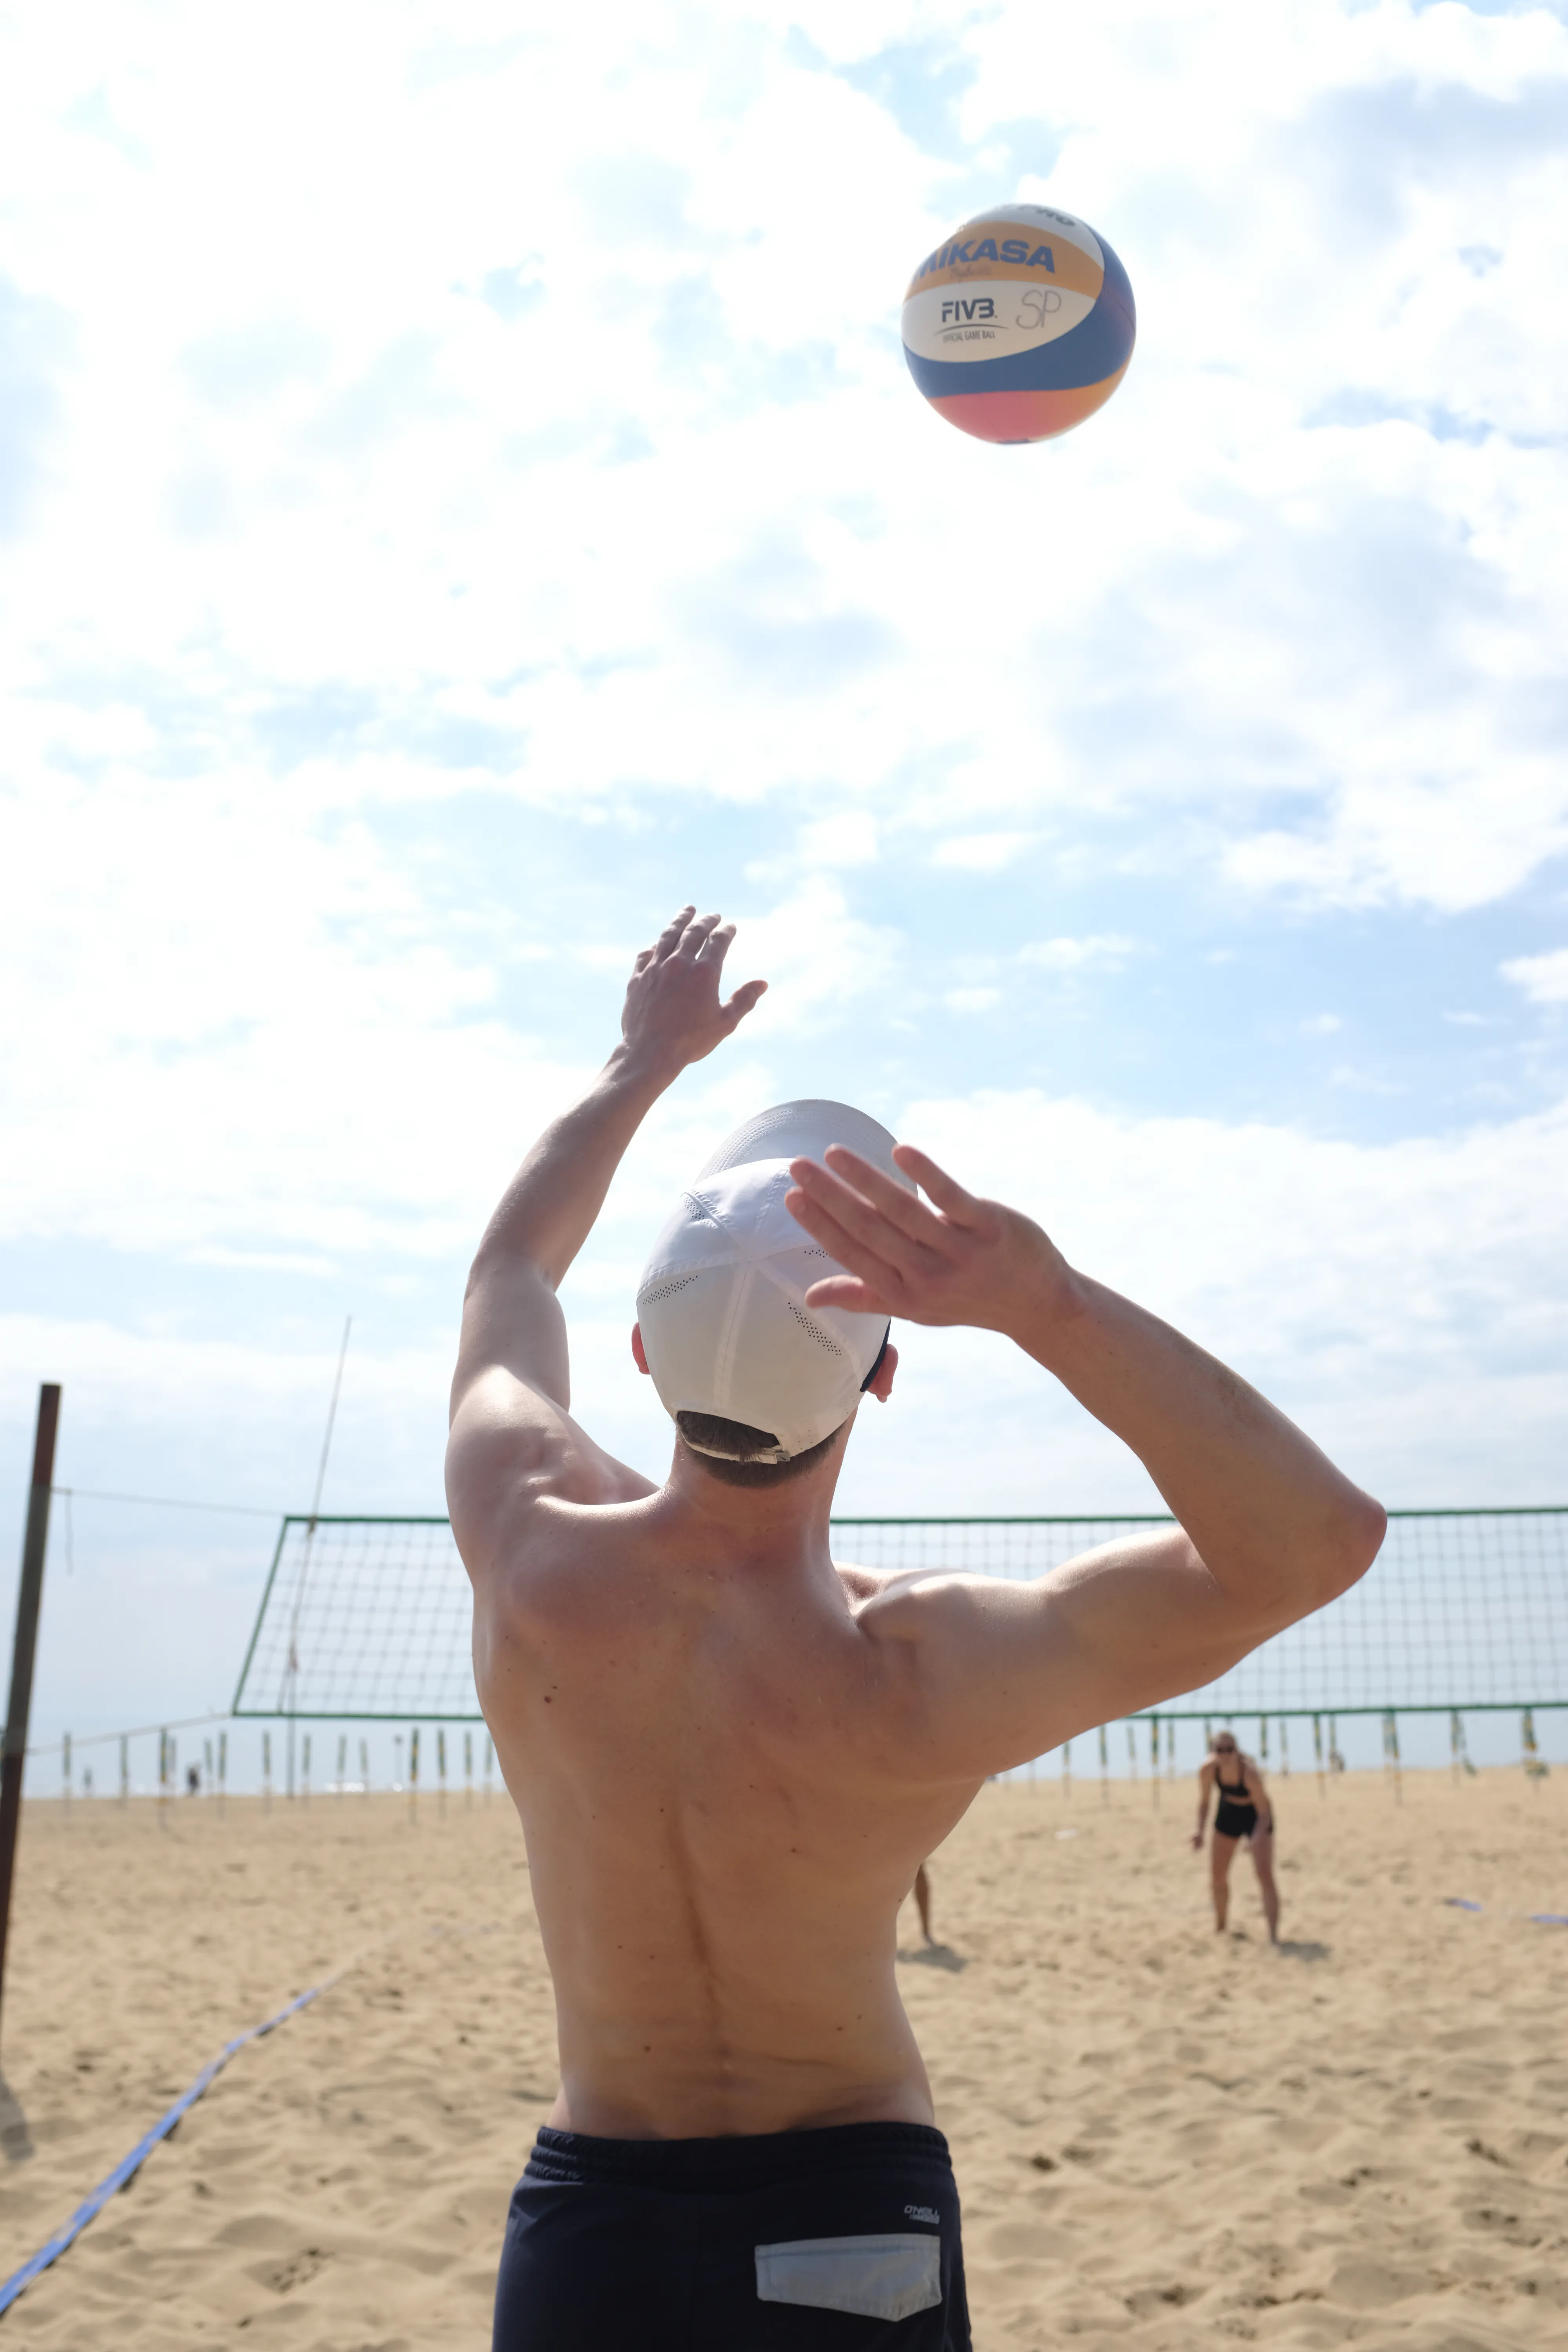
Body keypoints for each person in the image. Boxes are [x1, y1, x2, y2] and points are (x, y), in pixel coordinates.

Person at [445, 905, 1385, 2351]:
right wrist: (1045, 1303)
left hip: (595, 2227)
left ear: (640, 1355)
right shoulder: (915, 1668)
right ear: (881, 1378)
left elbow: (510, 1268)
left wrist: (645, 1059)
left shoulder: (525, 1538)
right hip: (842, 2209)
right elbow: (1316, 1542)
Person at [1191, 1730, 1279, 1942]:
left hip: (1256, 1816)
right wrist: (1199, 1831)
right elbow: (1204, 1802)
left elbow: (1265, 1812)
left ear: (1237, 1751)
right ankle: (1221, 1929)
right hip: (1228, 1812)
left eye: (1230, 1749)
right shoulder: (1208, 1770)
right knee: (1218, 1876)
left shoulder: (1249, 1773)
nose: (1225, 1754)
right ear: (1213, 1752)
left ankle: (1274, 1937)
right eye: (1220, 1750)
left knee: (1264, 1875)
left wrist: (1255, 1838)